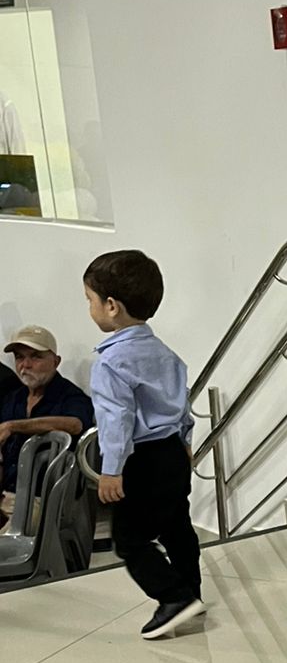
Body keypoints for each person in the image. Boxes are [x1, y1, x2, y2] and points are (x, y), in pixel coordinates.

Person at [85, 249, 205, 639]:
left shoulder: (110, 363)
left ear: (112, 306)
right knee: (176, 526)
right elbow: (182, 402)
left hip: (140, 459)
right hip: (172, 452)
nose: (89, 308)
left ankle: (173, 598)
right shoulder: (166, 354)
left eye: (89, 299)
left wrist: (111, 469)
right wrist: (185, 441)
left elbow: (116, 419)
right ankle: (191, 591)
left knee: (129, 538)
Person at [0, 326, 94, 527]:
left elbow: (75, 424)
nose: (25, 365)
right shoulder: (13, 399)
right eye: (19, 357)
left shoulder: (70, 397)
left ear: (56, 361)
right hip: (6, 497)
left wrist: (13, 426)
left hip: (43, 502)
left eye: (36, 357)